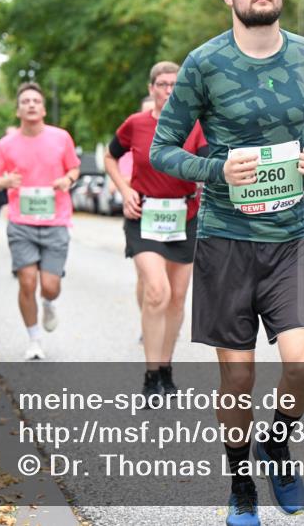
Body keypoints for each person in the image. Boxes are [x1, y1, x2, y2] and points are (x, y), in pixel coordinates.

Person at [150, 0, 304, 526]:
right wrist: (216, 170)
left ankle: (276, 442)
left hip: (290, 237)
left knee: (303, 366)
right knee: (238, 376)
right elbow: (162, 149)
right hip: (226, 238)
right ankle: (240, 485)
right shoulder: (204, 64)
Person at [104, 61, 207, 399]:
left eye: (175, 84)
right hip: (144, 216)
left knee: (177, 298)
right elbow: (110, 157)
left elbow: (209, 163)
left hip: (184, 217)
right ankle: (150, 376)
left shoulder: (194, 126)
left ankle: (165, 368)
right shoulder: (135, 124)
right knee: (157, 291)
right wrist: (124, 189)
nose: (169, 90)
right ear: (151, 89)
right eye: (162, 84)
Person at [0, 82, 80, 360]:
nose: (31, 104)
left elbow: (74, 168)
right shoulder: (6, 144)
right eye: (25, 101)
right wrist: (4, 181)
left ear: (43, 109)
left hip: (56, 221)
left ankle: (48, 303)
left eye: (36, 101)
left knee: (50, 286)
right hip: (21, 223)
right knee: (27, 281)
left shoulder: (61, 138)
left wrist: (67, 179)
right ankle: (34, 339)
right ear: (18, 110)